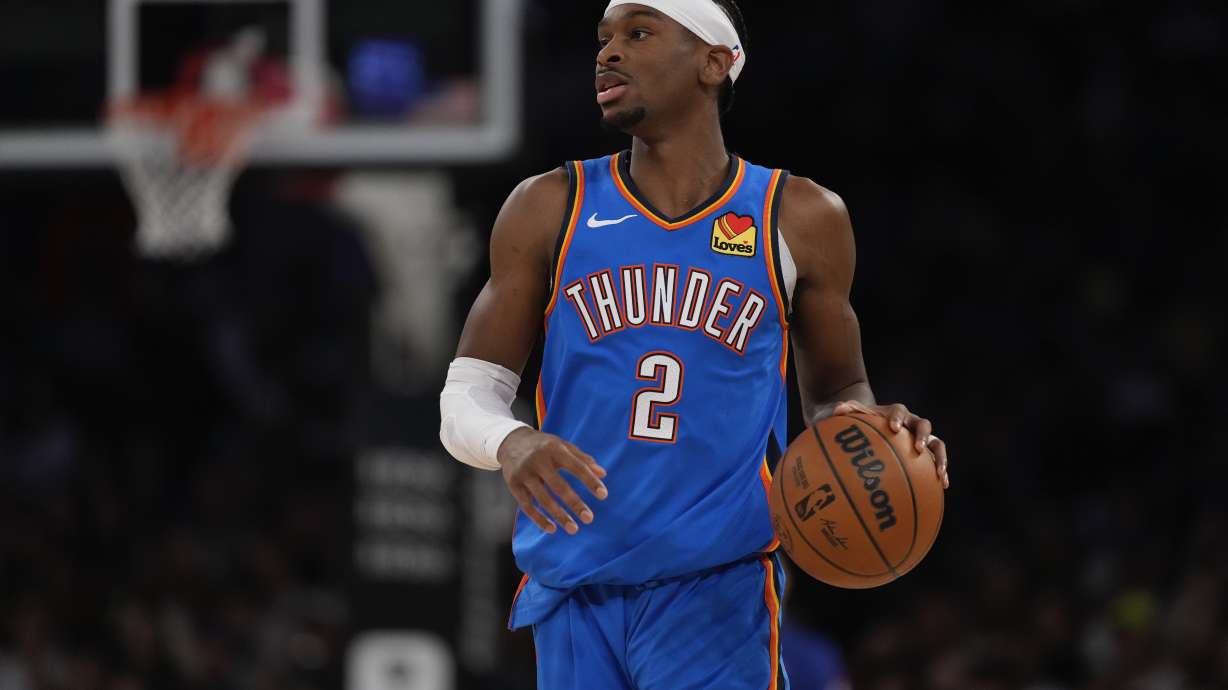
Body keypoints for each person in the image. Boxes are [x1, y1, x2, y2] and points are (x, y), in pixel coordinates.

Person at [439, 1, 950, 688]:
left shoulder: (797, 216)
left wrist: (870, 427)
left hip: (718, 588)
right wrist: (512, 441)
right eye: (604, 37)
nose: (609, 52)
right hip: (573, 589)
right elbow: (466, 397)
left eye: (639, 33)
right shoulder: (549, 205)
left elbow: (835, 392)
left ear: (716, 62)